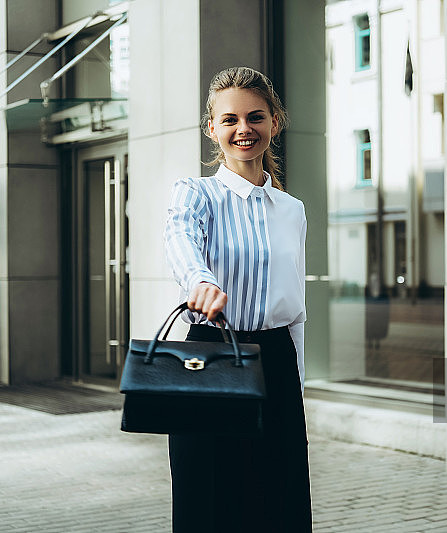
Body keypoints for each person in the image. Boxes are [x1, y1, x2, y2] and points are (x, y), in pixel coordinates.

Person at [163, 66, 312, 533]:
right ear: (212, 128)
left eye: (255, 117)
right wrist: (198, 281)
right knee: (208, 496)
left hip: (276, 359)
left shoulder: (292, 209)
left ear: (275, 121)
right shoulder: (196, 193)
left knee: (279, 494)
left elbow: (296, 303)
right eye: (229, 120)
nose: (243, 129)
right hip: (210, 355)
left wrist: (296, 380)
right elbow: (180, 238)